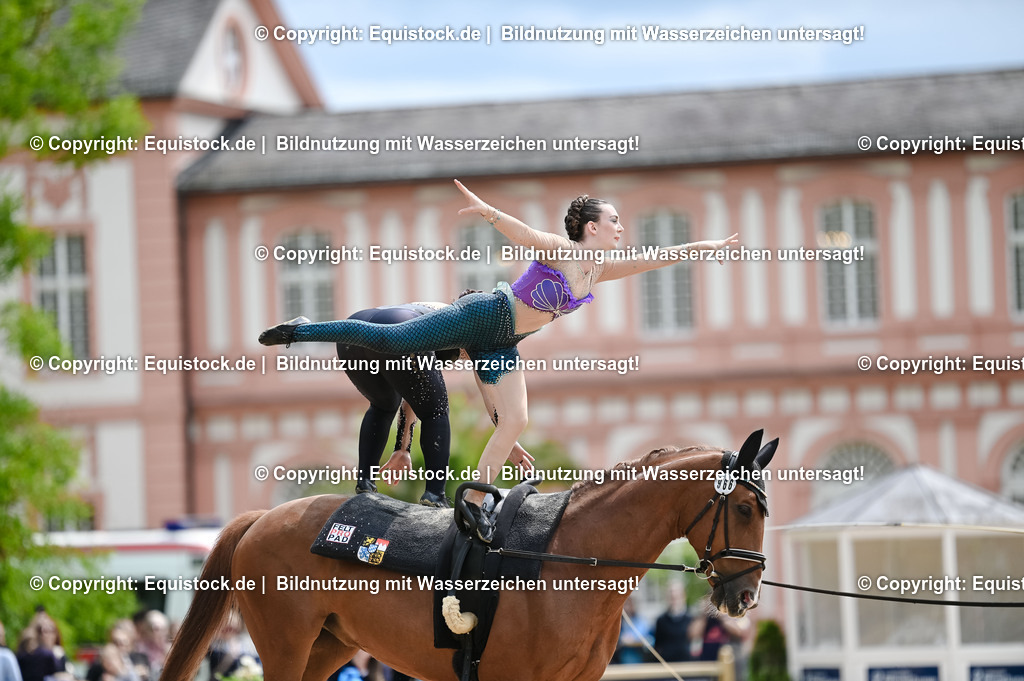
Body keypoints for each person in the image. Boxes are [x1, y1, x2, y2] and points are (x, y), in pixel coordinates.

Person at [260, 179, 739, 540]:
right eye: (614, 221)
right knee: (393, 339)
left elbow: (658, 257)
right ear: (592, 227)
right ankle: (302, 330)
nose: (621, 228)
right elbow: (524, 233)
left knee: (515, 421)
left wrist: (705, 248)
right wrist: (489, 212)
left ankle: (471, 501)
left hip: (503, 342)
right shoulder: (562, 251)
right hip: (484, 315)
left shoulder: (600, 270)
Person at [339, 301, 534, 507]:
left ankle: (365, 483)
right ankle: (434, 495)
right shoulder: (480, 330)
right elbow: (491, 395)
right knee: (436, 412)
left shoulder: (450, 314)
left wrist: (402, 448)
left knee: (383, 405)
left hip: (354, 331)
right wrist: (507, 438)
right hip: (399, 325)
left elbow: (415, 395)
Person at [652, 581, 694, 663]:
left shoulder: (691, 619)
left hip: (686, 663)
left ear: (683, 596)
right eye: (671, 597)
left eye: (676, 597)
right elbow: (658, 645)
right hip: (666, 663)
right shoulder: (661, 620)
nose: (674, 600)